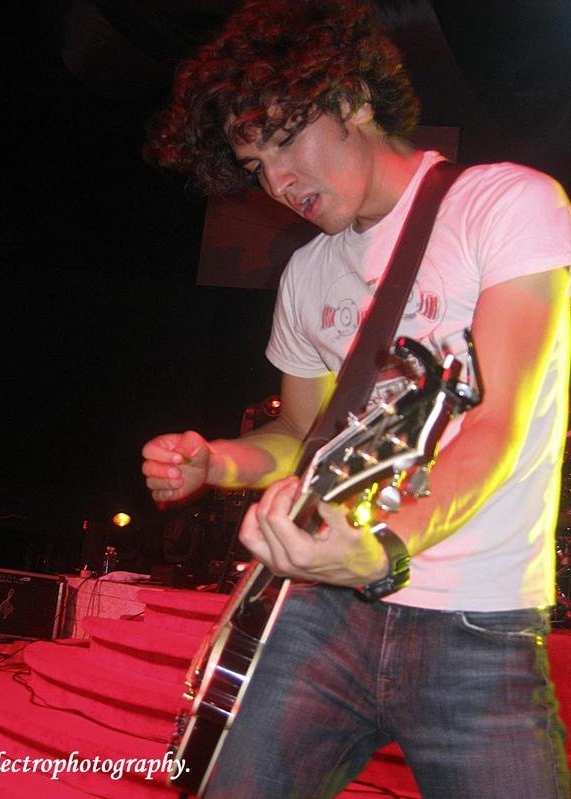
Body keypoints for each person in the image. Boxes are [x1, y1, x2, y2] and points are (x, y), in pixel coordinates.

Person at [141, 1, 571, 796]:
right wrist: (215, 461)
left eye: (284, 141)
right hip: (320, 610)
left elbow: (497, 419)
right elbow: (299, 436)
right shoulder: (308, 272)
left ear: (353, 98)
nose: (277, 183)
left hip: (476, 620)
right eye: (255, 165)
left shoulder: (505, 204)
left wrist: (383, 549)